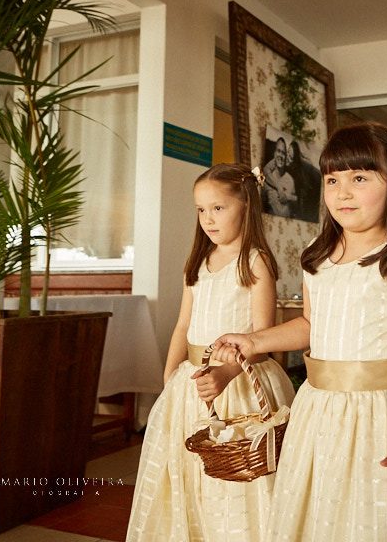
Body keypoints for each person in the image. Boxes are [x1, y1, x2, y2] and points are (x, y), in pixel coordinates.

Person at [212, 122, 387, 541]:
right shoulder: (319, 257)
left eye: (360, 178)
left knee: (377, 518)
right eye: (332, 179)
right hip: (321, 412)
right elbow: (313, 325)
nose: (343, 192)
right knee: (325, 513)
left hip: (383, 414)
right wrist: (255, 341)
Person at [126, 163, 296, 542]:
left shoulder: (255, 261)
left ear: (246, 207)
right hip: (195, 381)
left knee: (234, 473)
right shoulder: (198, 263)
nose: (208, 218)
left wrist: (226, 373)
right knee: (190, 471)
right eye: (201, 210)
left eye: (218, 208)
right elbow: (183, 326)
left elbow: (261, 337)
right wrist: (171, 374)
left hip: (238, 384)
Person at [288, 139, 322, 223]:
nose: (288, 159)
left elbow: (303, 195)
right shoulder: (290, 167)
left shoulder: (304, 169)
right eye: (287, 154)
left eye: (291, 157)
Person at [263, 135, 297, 217]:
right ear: (274, 153)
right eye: (278, 151)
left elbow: (297, 204)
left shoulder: (290, 180)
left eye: (283, 153)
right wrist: (279, 189)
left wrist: (289, 197)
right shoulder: (267, 179)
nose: (281, 156)